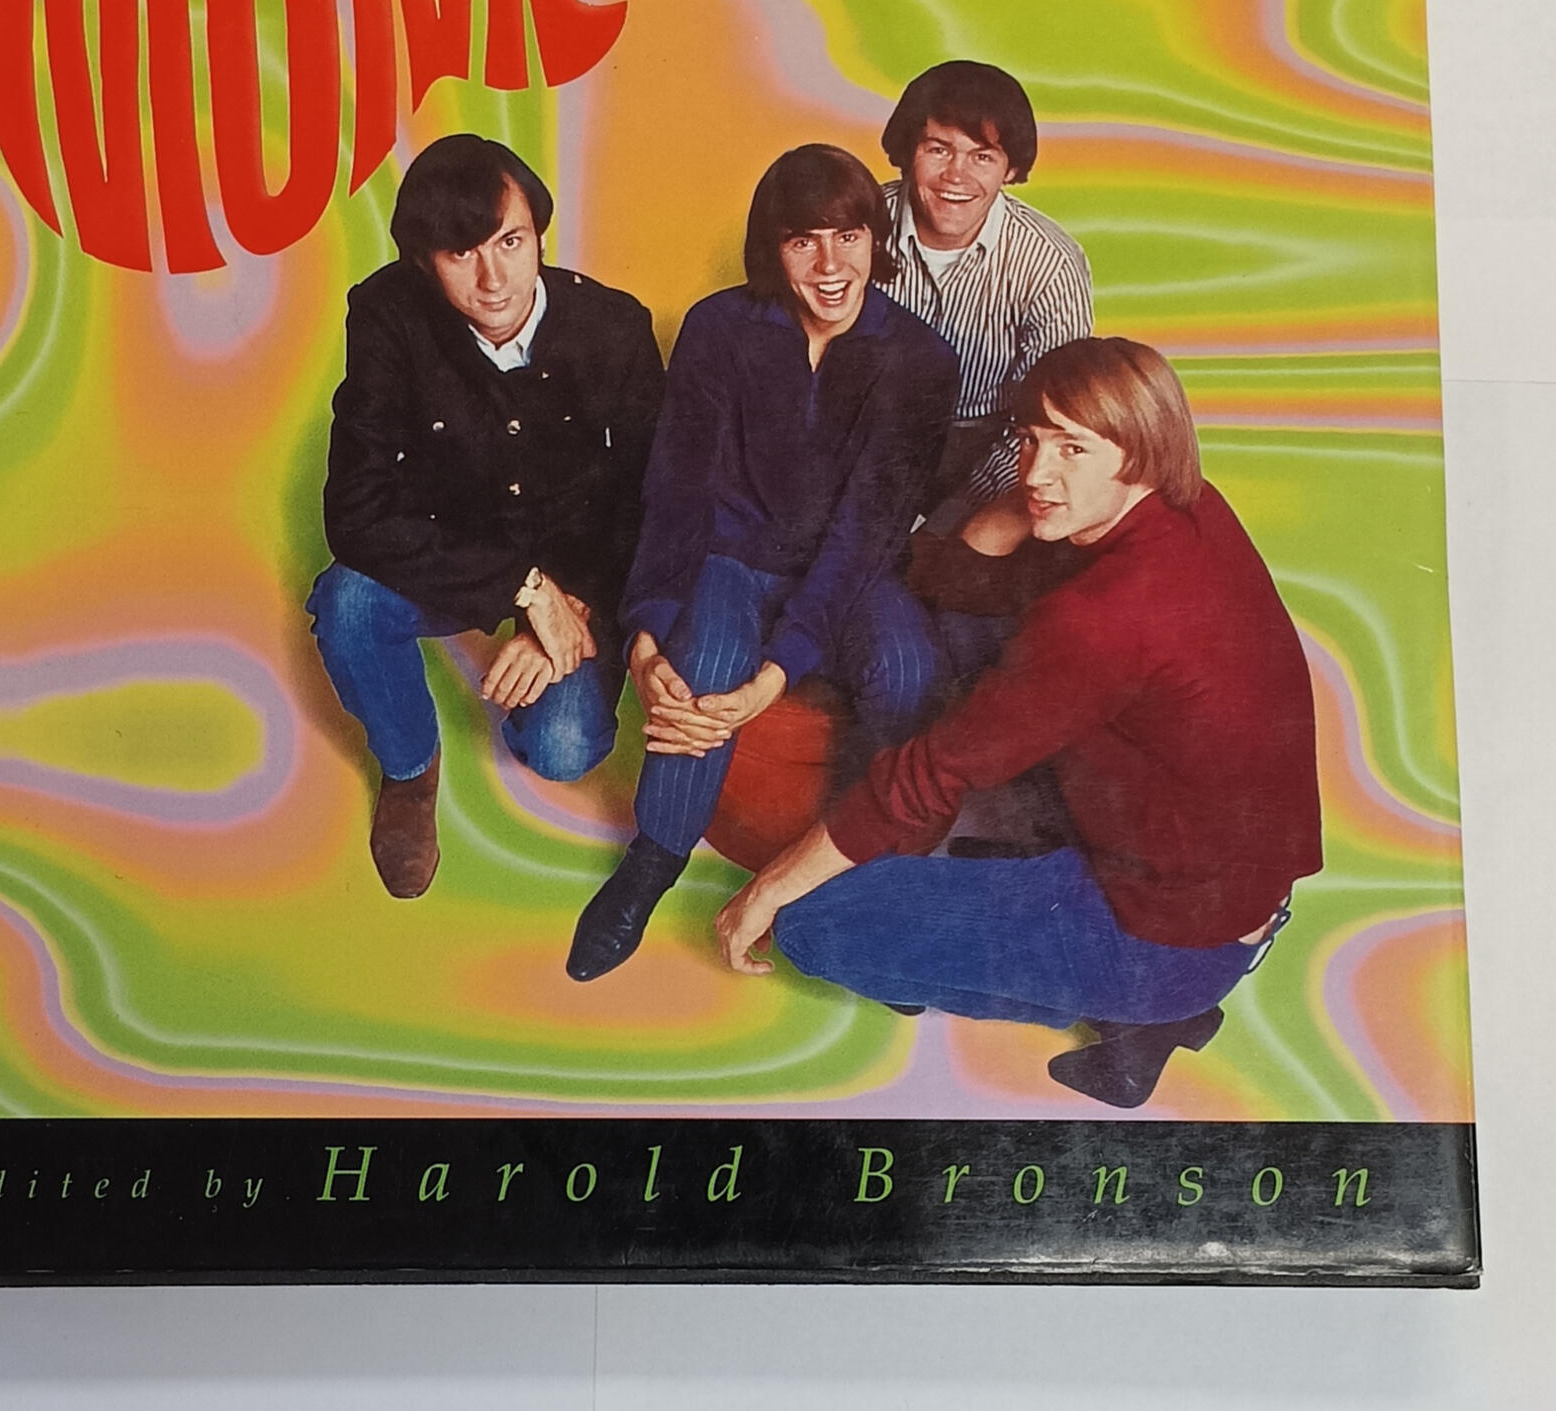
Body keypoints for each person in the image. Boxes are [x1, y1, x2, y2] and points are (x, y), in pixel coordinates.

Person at [713, 336, 1324, 1109]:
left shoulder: (1103, 620)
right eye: (1030, 440)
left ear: (1141, 452)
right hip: (1225, 885)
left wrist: (767, 888)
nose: (1035, 472)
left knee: (810, 924)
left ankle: (1146, 1016)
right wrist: (1037, 501)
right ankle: (1133, 988)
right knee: (980, 629)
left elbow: (926, 776)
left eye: (1072, 448)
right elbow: (957, 578)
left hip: (1167, 941)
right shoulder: (1187, 508)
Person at [565, 144, 958, 982]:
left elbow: (864, 534)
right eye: (802, 240)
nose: (830, 264)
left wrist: (777, 674)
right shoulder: (719, 329)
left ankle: (868, 882)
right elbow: (676, 492)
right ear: (772, 249)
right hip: (733, 558)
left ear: (876, 240)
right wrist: (645, 637)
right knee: (701, 665)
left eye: (849, 236)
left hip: (852, 573)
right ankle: (653, 860)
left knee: (909, 670)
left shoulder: (921, 359)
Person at [308, 134, 664, 898]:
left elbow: (650, 500)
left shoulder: (614, 327)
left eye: (510, 241)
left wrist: (568, 607)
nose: (494, 277)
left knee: (564, 747)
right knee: (346, 603)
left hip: (577, 573)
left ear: (540, 235)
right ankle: (409, 767)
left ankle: (543, 656)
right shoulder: (385, 315)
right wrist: (522, 589)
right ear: (423, 262)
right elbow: (355, 511)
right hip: (452, 546)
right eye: (460, 253)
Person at [877, 59, 1093, 514]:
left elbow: (1052, 418)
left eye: (982, 157)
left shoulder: (1050, 262)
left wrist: (953, 521)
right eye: (938, 149)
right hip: (863, 436)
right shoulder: (857, 226)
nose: (956, 175)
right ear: (908, 150)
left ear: (1010, 170)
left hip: (992, 451)